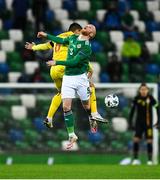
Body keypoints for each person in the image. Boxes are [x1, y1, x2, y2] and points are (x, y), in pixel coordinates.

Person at [25, 23, 105, 134]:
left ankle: (49, 117)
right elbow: (78, 59)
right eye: (81, 29)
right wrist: (90, 68)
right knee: (90, 87)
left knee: (61, 93)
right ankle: (93, 115)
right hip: (64, 67)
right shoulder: (76, 39)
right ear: (76, 31)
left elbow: (48, 45)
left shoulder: (61, 36)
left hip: (53, 71)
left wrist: (33, 47)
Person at [129, 83, 160, 165]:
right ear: (139, 90)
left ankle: (149, 160)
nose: (143, 91)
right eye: (142, 89)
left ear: (148, 90)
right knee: (136, 140)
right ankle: (135, 159)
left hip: (148, 124)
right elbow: (132, 111)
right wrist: (130, 122)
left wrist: (158, 121)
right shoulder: (136, 98)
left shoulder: (151, 98)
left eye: (145, 89)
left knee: (149, 141)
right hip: (138, 123)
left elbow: (157, 108)